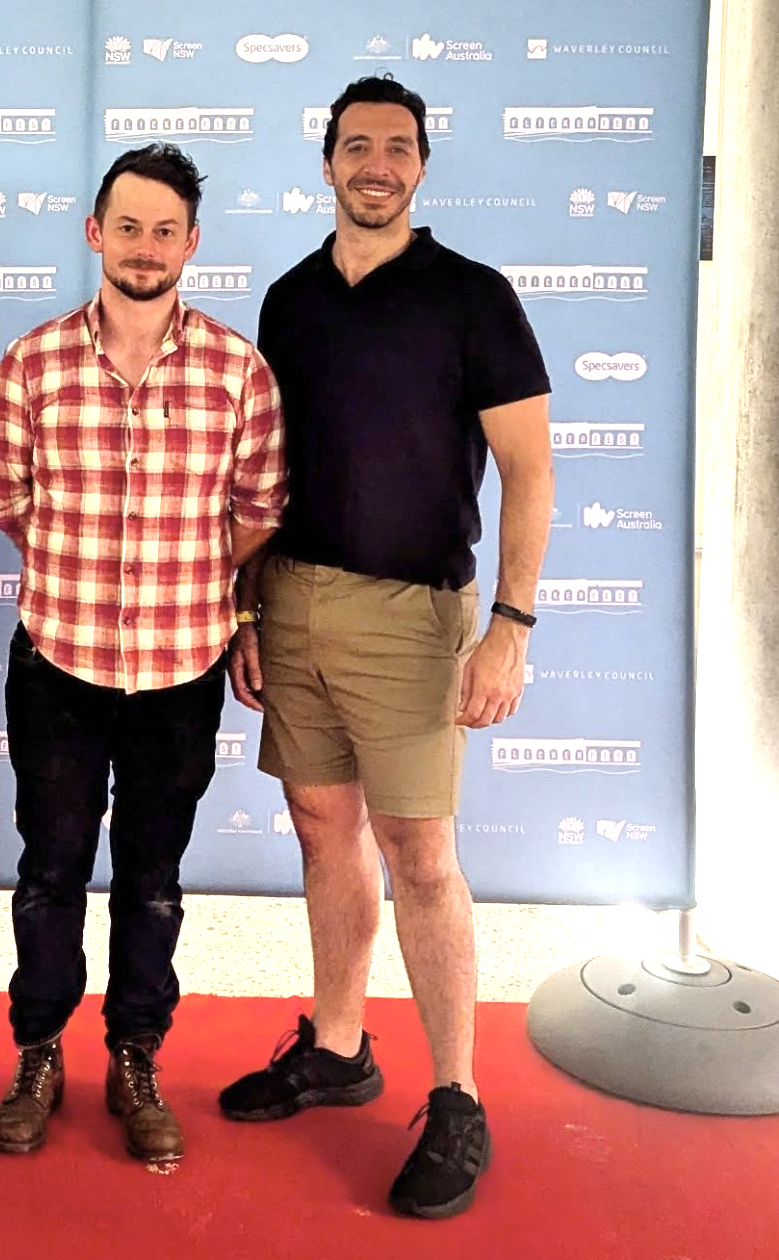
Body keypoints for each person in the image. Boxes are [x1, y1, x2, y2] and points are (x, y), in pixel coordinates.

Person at [217, 76, 553, 1219]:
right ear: (325, 162)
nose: (376, 163)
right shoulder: (290, 300)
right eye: (356, 144)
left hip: (417, 614)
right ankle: (340, 1046)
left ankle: (457, 1097)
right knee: (323, 828)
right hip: (297, 600)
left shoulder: (474, 297)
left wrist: (509, 626)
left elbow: (531, 469)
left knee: (419, 848)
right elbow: (265, 477)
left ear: (421, 166)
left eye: (397, 147)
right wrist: (251, 607)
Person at [0, 143, 288, 1162]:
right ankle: (37, 1052)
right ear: (93, 232)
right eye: (129, 226)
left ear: (191, 244)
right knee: (49, 872)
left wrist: (178, 584)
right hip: (59, 664)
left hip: (180, 672)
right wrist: (92, 573)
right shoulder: (31, 362)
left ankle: (134, 1056)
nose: (146, 247)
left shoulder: (238, 369)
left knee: (153, 880)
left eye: (166, 230)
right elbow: (10, 500)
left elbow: (257, 510)